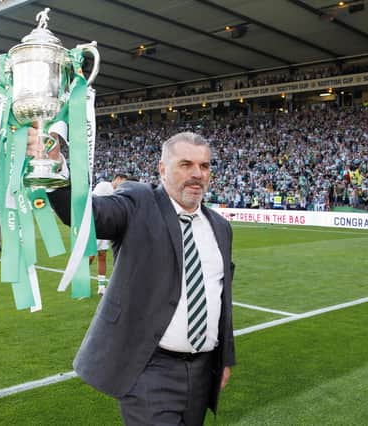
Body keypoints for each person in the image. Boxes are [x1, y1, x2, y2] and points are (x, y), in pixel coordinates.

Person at [28, 130, 235, 425]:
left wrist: (224, 357)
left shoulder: (220, 227)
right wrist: (56, 168)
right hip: (150, 370)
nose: (197, 174)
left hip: (203, 372)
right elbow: (90, 216)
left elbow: (221, 299)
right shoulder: (139, 201)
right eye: (186, 164)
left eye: (204, 166)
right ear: (162, 169)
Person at [90, 174, 130, 295]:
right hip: (96, 225)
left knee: (102, 255)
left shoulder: (119, 193)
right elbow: (93, 200)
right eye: (123, 181)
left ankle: (101, 287)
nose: (123, 184)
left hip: (107, 227)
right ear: (117, 179)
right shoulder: (104, 186)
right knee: (91, 256)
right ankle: (79, 278)